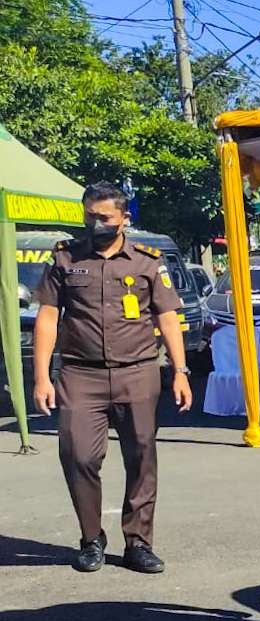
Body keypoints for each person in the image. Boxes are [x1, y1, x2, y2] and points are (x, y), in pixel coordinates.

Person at [32, 181, 192, 574]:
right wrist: (41, 377)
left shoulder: (146, 261)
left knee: (141, 456)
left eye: (104, 216)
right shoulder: (65, 259)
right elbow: (49, 317)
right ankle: (91, 539)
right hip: (80, 375)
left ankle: (138, 542)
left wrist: (181, 371)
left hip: (137, 372)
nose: (96, 222)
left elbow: (167, 317)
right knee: (77, 454)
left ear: (124, 218)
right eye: (90, 215)